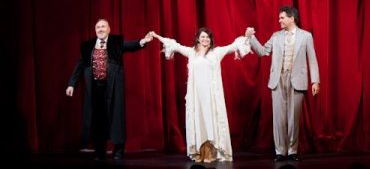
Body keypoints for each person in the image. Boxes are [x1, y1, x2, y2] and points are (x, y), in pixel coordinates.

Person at [151, 27, 251, 163]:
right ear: (198, 39)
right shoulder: (192, 53)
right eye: (202, 37)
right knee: (199, 121)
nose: (205, 39)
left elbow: (233, 46)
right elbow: (175, 46)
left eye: (207, 37)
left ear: (210, 40)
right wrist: (157, 36)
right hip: (196, 96)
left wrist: (246, 36)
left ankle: (213, 153)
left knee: (211, 121)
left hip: (211, 96)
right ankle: (200, 152)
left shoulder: (216, 52)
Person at [66, 19, 153, 160]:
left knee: (116, 117)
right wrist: (71, 84)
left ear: (109, 29)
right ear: (95, 30)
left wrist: (143, 41)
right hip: (95, 88)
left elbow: (129, 45)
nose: (100, 29)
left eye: (103, 26)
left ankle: (118, 150)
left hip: (113, 86)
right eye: (98, 27)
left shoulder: (115, 42)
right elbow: (80, 65)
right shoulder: (88, 46)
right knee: (98, 119)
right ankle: (99, 151)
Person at [245, 5, 320, 162]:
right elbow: (263, 51)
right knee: (279, 118)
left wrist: (315, 81)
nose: (279, 20)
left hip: (296, 80)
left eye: (282, 17)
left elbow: (312, 59)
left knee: (294, 118)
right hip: (278, 80)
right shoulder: (276, 36)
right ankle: (280, 151)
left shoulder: (306, 36)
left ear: (292, 18)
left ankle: (292, 151)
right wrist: (251, 38)